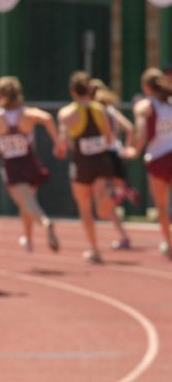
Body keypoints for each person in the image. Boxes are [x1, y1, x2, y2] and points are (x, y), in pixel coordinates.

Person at [0, 76, 65, 253]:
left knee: (27, 203)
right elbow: (48, 118)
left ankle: (45, 222)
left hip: (13, 167)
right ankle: (28, 238)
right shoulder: (26, 114)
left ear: (0, 94)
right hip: (30, 163)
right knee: (27, 201)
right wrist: (57, 143)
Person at [57, 71, 118, 263]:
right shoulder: (100, 109)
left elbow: (62, 142)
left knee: (85, 208)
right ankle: (113, 195)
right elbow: (110, 138)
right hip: (101, 162)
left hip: (81, 164)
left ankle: (94, 249)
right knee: (102, 210)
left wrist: (60, 148)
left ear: (73, 91)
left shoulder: (67, 113)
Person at [91, 79, 137, 250]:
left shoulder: (96, 111)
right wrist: (126, 148)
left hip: (103, 155)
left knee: (100, 202)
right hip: (117, 155)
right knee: (108, 203)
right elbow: (130, 128)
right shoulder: (111, 110)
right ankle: (124, 236)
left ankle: (118, 192)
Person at [132, 67, 172, 259]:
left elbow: (141, 132)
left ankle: (169, 243)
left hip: (158, 159)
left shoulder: (145, 106)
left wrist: (134, 150)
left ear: (147, 87)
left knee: (162, 205)